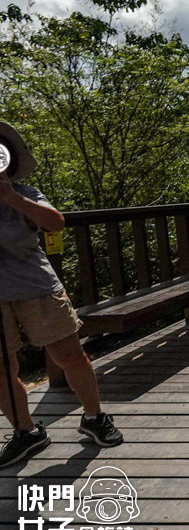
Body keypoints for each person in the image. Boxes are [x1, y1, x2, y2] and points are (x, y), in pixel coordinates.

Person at [0, 121, 123, 469]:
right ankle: (25, 431)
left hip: (37, 288)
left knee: (70, 354)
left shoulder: (25, 192)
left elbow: (55, 223)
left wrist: (9, 196)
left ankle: (94, 417)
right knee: (1, 369)